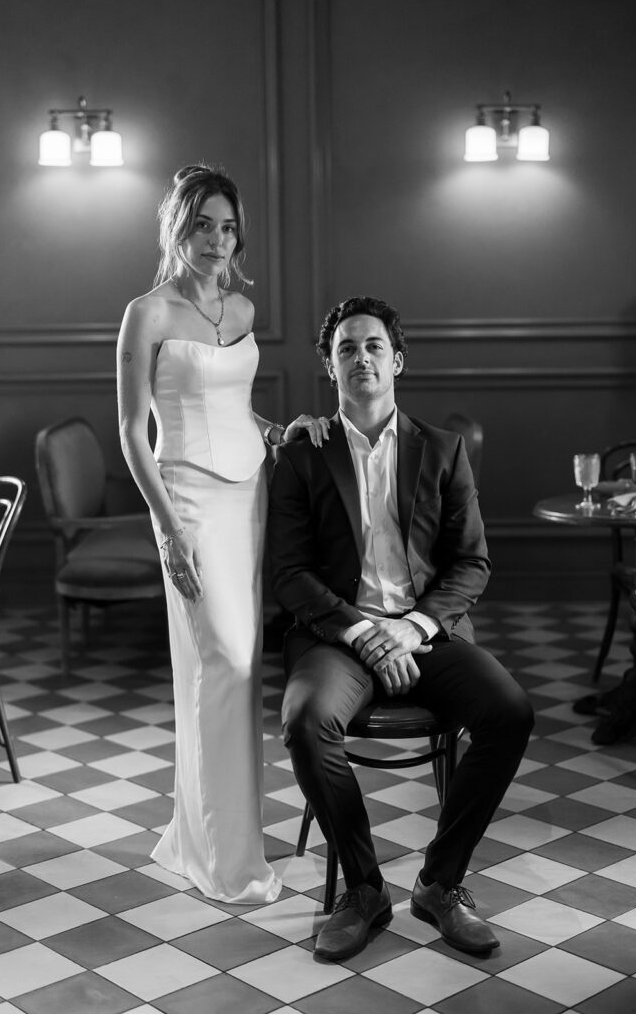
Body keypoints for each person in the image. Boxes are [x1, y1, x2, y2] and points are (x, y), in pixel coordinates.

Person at [268, 296, 534, 959]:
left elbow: (471, 563)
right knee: (304, 720)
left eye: (372, 346)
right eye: (345, 349)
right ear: (329, 368)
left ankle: (440, 884)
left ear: (398, 360)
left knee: (508, 711)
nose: (360, 357)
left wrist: (411, 629)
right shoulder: (303, 456)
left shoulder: (441, 451)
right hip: (338, 637)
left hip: (426, 634)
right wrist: (362, 633)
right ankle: (363, 890)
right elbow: (289, 574)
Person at [117, 164, 328, 904]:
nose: (216, 239)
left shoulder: (238, 308)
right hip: (189, 506)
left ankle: (210, 838)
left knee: (238, 675)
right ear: (178, 228)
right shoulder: (146, 313)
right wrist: (169, 532)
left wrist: (280, 430)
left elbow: (232, 407)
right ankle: (224, 863)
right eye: (202, 224)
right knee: (226, 664)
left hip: (250, 498)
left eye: (227, 225)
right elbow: (133, 435)